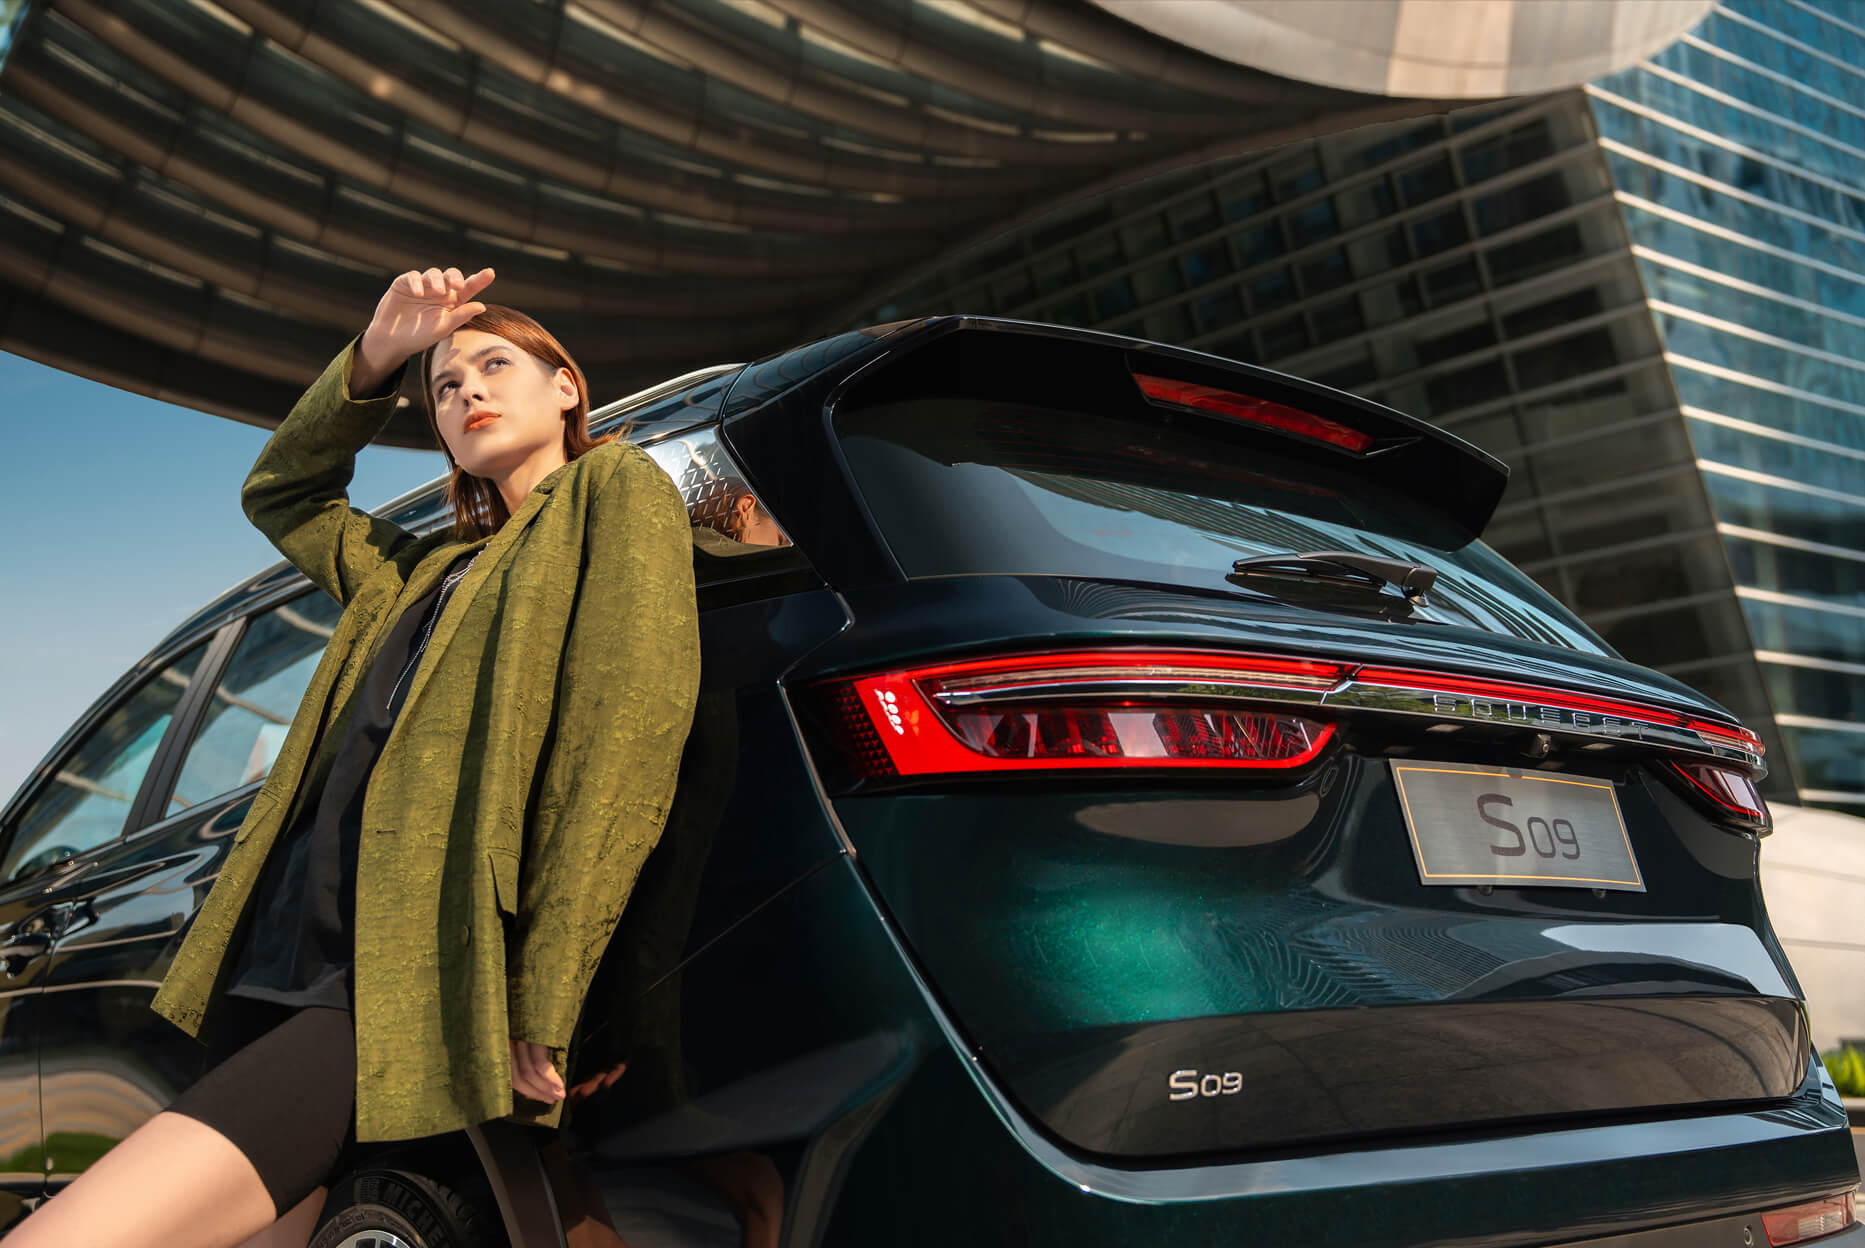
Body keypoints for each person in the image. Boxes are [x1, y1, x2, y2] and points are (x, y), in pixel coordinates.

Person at [6, 266, 701, 1248]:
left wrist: (546, 986)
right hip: (284, 967)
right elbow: (282, 492)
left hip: (392, 978)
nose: (466, 393)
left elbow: (623, 736)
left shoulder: (610, 490)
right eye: (446, 387)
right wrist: (375, 359)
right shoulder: (412, 568)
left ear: (565, 388)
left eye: (493, 366)